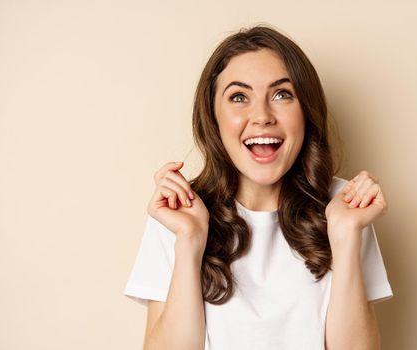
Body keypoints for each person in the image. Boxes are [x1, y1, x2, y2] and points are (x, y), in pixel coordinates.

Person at [124, 24, 393, 350]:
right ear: (213, 116)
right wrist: (190, 240)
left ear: (306, 111)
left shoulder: (345, 207)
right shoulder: (179, 211)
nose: (262, 116)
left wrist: (346, 236)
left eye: (282, 94)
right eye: (239, 97)